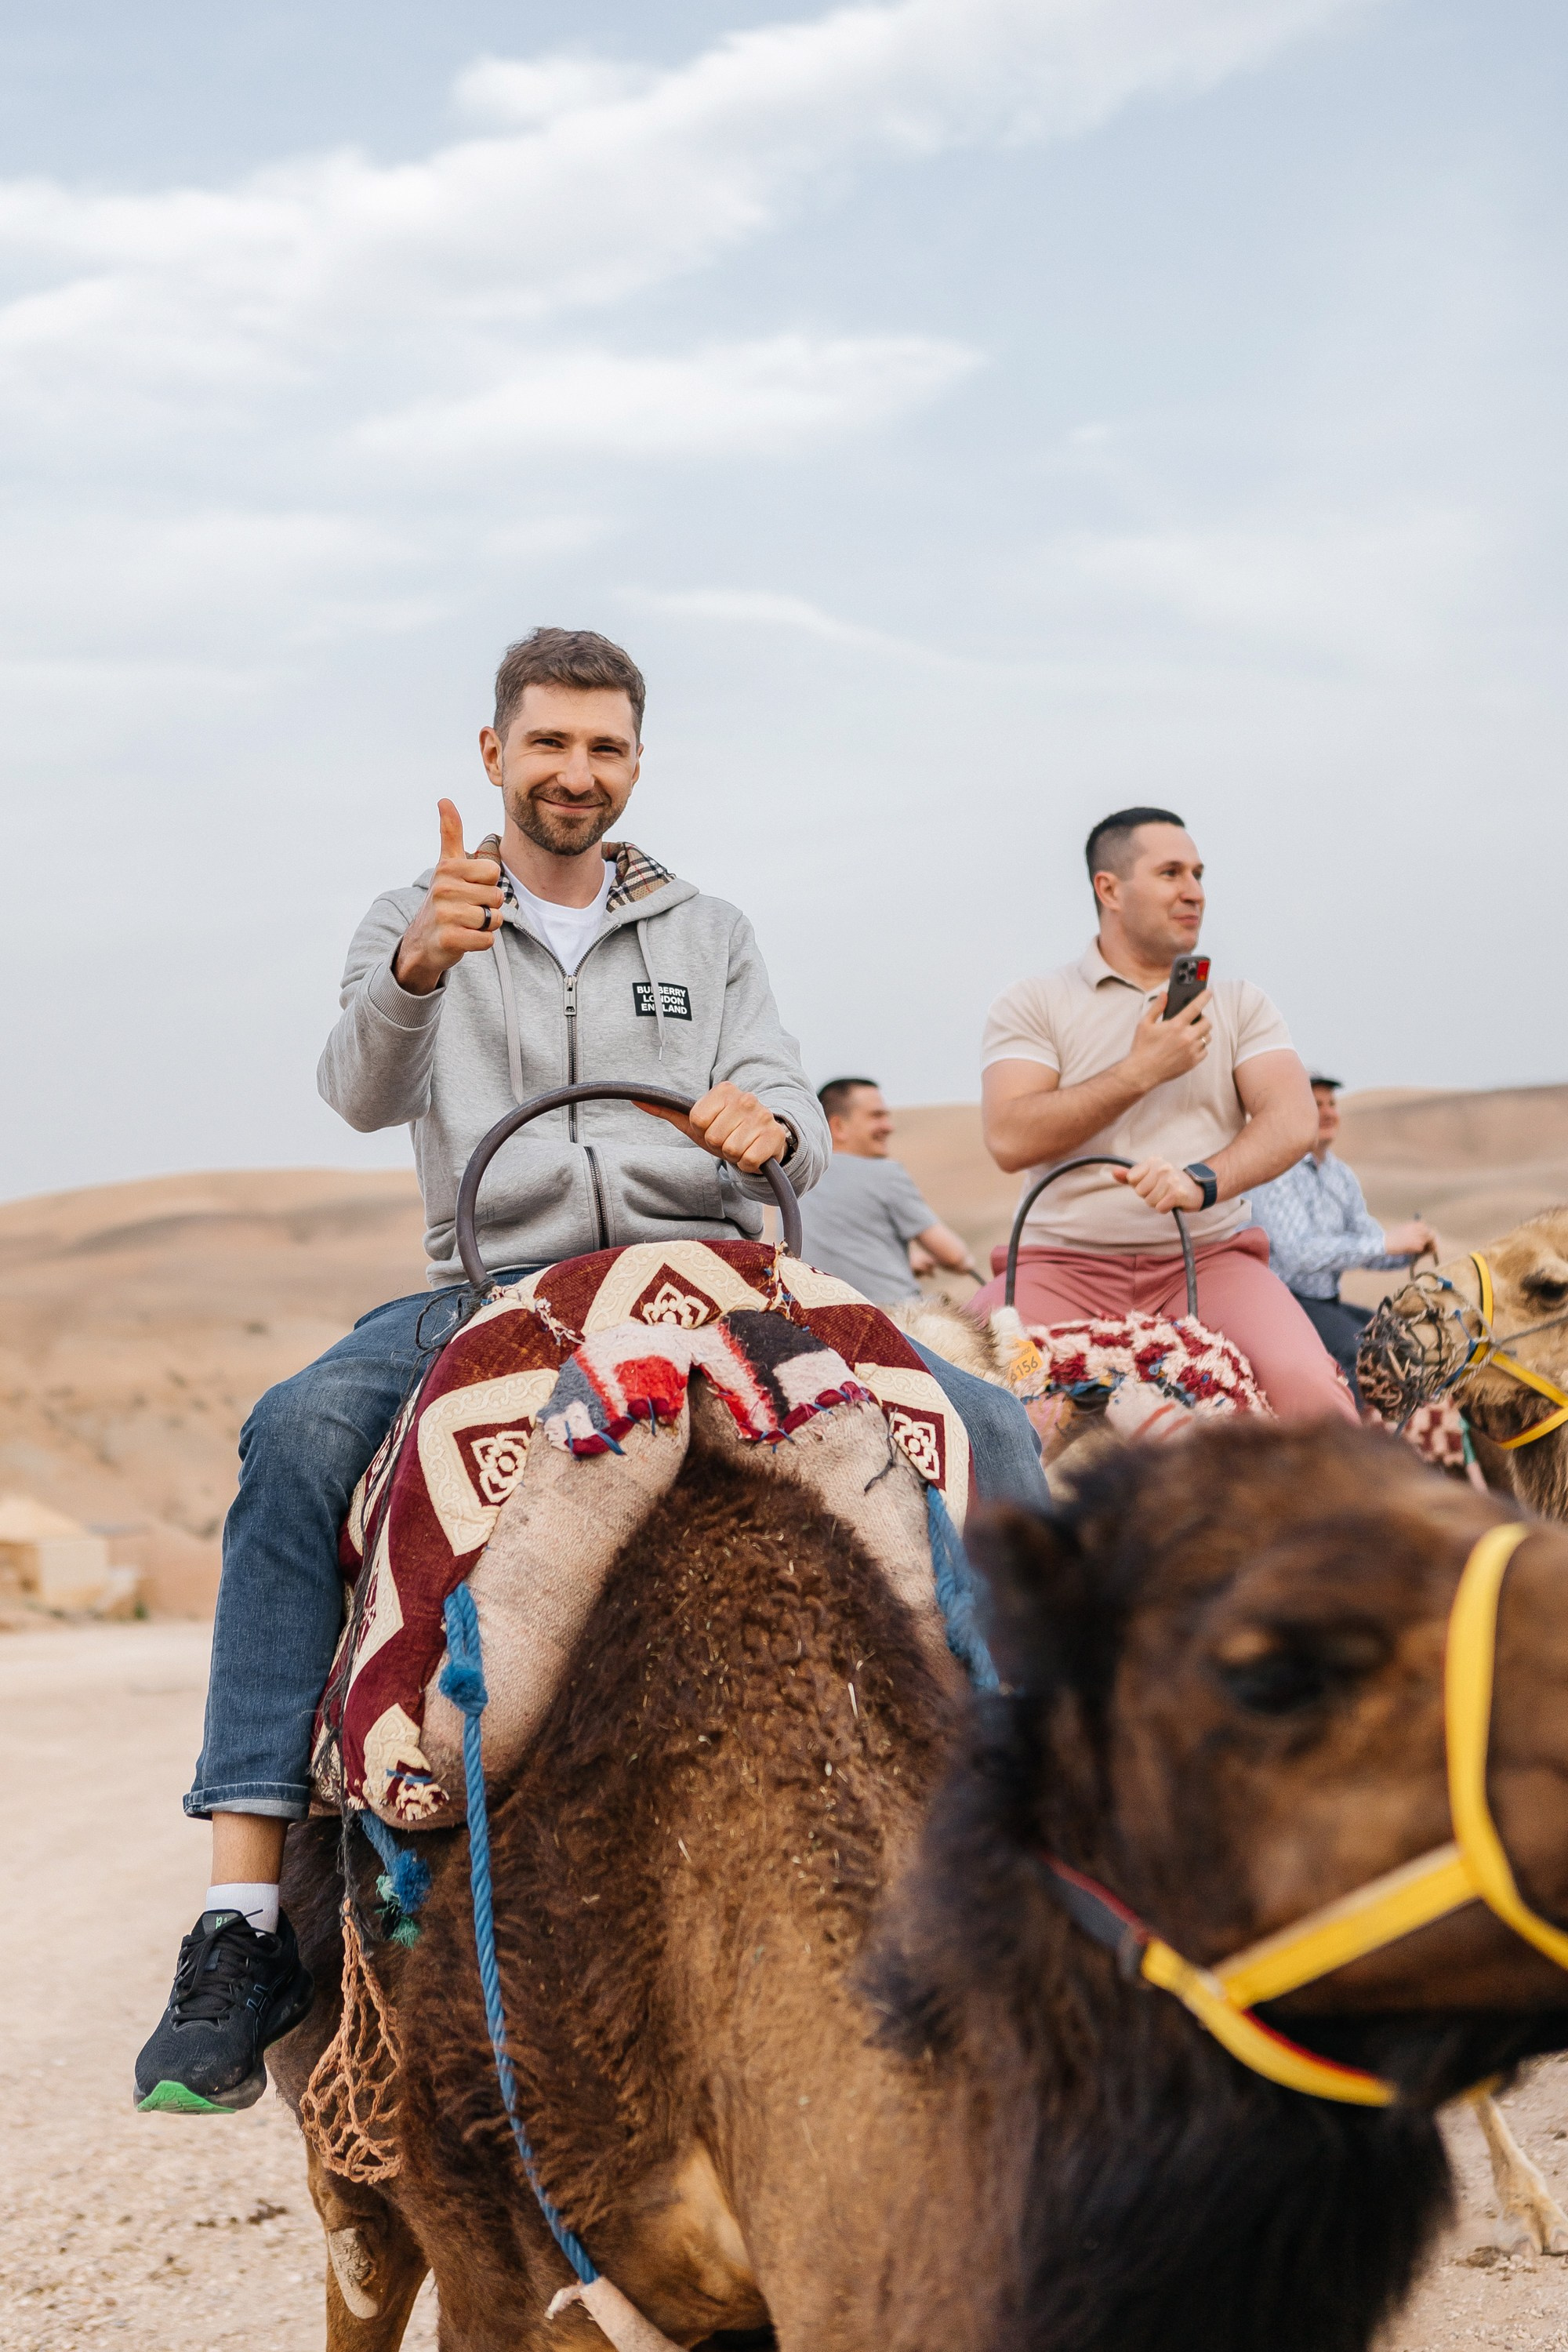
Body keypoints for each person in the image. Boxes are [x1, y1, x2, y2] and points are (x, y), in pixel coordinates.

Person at [134, 626, 1042, 2118]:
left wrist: (773, 1130)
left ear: (636, 762)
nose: (576, 772)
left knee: (991, 1421)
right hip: (494, 1285)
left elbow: (786, 1103)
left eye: (605, 747)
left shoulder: (711, 931)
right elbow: (360, 1088)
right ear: (494, 755)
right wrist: (423, 966)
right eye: (548, 744)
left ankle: (1031, 1824)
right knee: (298, 1433)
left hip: (707, 1275)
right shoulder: (418, 912)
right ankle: (240, 1923)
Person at [968, 806, 1357, 1425]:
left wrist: (1200, 1181)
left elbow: (1291, 1119)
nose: (1194, 892)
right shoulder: (1034, 1001)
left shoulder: (1239, 1004)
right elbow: (1010, 1137)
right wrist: (1140, 1071)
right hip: (1057, 1266)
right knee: (960, 1398)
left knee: (1312, 1391)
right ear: (1110, 889)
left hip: (1210, 1260)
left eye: (1199, 874)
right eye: (1172, 873)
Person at [1248, 1073, 1437, 1386]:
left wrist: (1409, 1249)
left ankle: (1408, 1428)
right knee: (1356, 1353)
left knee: (1400, 1337)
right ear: (1294, 1111)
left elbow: (1368, 1242)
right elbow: (1300, 1254)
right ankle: (1352, 1435)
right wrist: (1386, 1244)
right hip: (1280, 1301)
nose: (1327, 1112)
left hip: (1326, 1301)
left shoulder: (1340, 1176)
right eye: (1315, 1103)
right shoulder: (1276, 1169)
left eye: (1332, 1103)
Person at [798, 1078, 980, 1303]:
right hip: (892, 1320)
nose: (889, 1126)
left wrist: (906, 1261)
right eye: (876, 1116)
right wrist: (969, 1263)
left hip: (815, 1314)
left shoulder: (800, 1177)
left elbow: (835, 1249)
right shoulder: (884, 1174)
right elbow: (954, 1257)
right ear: (839, 1127)